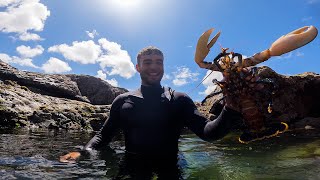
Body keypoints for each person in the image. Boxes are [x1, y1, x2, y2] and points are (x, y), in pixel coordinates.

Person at [60, 46, 243, 179]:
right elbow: (103, 136)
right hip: (132, 165)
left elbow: (208, 133)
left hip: (170, 165)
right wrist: (82, 151)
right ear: (137, 67)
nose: (154, 67)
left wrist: (231, 108)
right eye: (147, 62)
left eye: (158, 62)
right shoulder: (123, 101)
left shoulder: (179, 100)